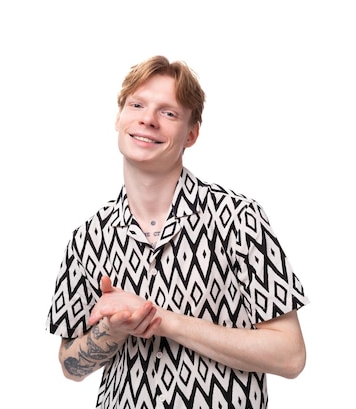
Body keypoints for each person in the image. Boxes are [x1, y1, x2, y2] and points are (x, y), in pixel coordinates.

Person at [46, 55, 309, 409]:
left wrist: (162, 321)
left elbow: (290, 356)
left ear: (191, 134)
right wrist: (114, 330)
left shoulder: (238, 219)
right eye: (137, 105)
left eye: (168, 112)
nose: (147, 120)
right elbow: (70, 367)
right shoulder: (88, 238)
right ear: (119, 117)